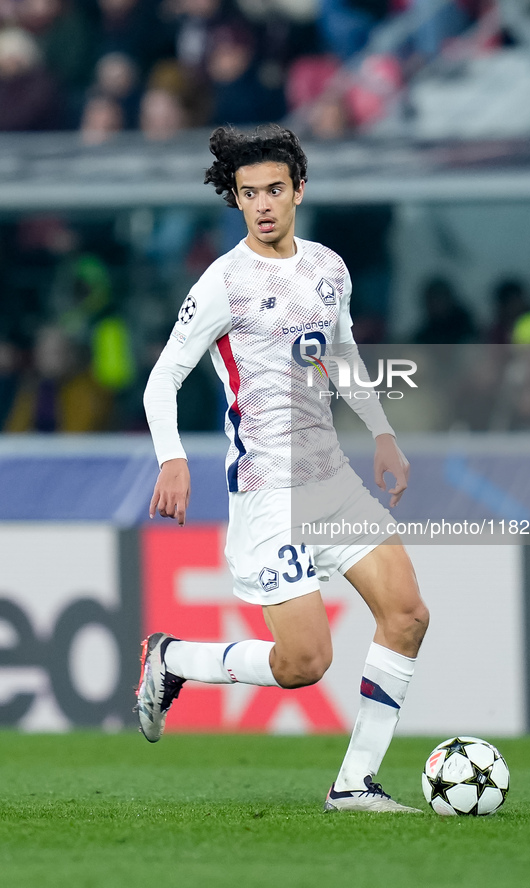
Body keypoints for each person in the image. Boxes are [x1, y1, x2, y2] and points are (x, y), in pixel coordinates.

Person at [137, 124, 429, 814]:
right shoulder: (223, 283)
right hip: (267, 495)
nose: (262, 204)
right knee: (305, 664)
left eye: (273, 189)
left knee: (408, 615)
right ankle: (172, 658)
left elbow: (344, 353)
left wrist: (382, 432)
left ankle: (354, 784)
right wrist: (172, 458)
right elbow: (161, 382)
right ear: (235, 201)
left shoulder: (328, 268)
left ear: (299, 189)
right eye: (248, 194)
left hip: (330, 479)